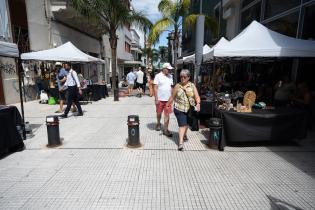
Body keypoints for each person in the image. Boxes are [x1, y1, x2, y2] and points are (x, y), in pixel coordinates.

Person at [167, 69, 200, 151]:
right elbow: (172, 97)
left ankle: (184, 135)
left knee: (186, 124)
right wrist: (167, 105)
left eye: (184, 77)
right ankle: (180, 143)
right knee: (182, 125)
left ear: (188, 77)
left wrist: (198, 103)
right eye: (181, 76)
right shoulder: (177, 86)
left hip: (190, 109)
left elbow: (197, 97)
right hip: (179, 109)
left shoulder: (192, 86)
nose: (182, 78)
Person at [154, 63, 174, 137]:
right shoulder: (158, 76)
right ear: (164, 68)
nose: (169, 70)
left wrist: (172, 97)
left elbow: (171, 88)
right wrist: (156, 98)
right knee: (159, 113)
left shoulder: (171, 76)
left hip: (168, 100)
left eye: (169, 69)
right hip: (160, 99)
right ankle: (158, 123)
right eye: (168, 69)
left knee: (167, 114)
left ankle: (166, 129)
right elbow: (155, 88)